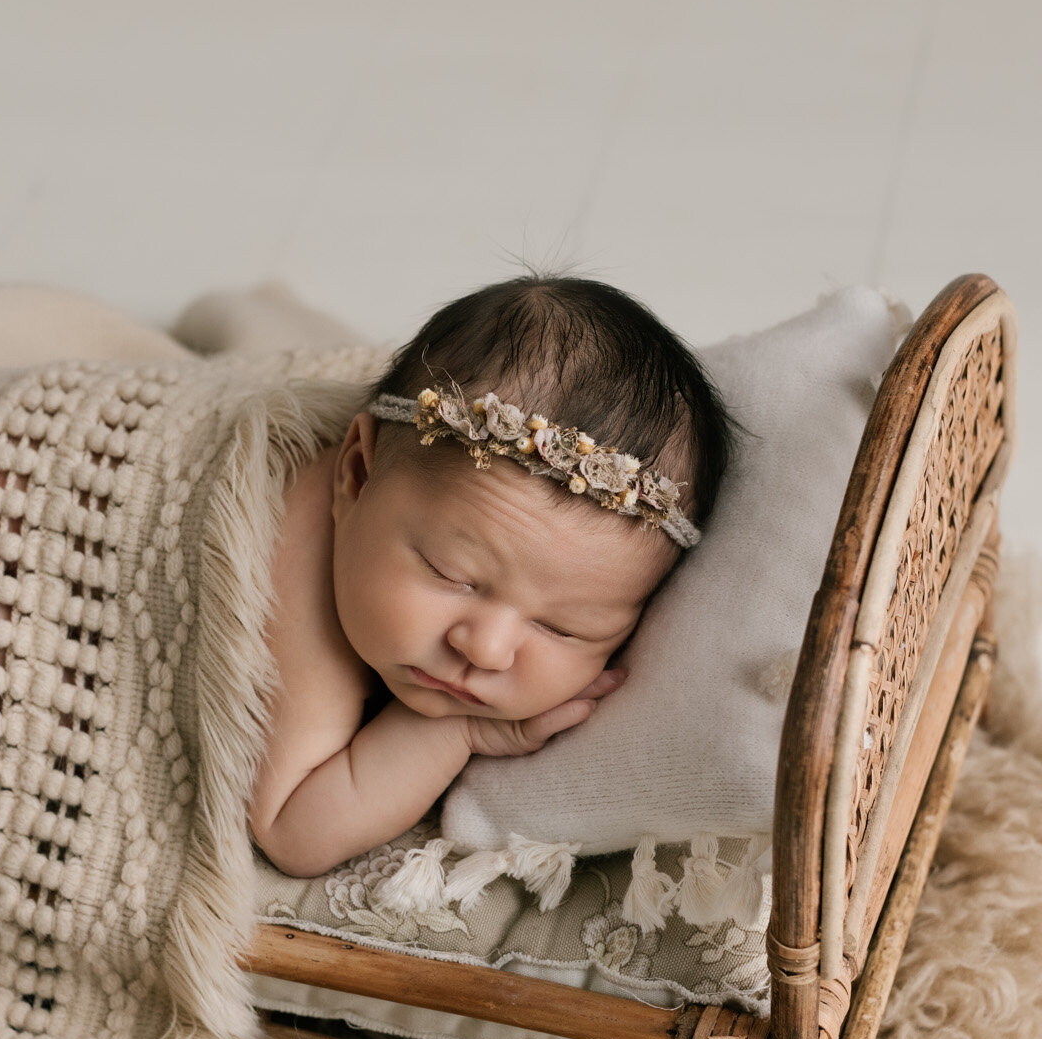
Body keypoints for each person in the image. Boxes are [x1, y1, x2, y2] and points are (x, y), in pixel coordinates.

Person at [249, 275, 737, 876]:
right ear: (356, 474)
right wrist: (454, 735)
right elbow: (295, 831)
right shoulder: (299, 549)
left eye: (564, 628)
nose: (486, 649)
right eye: (451, 574)